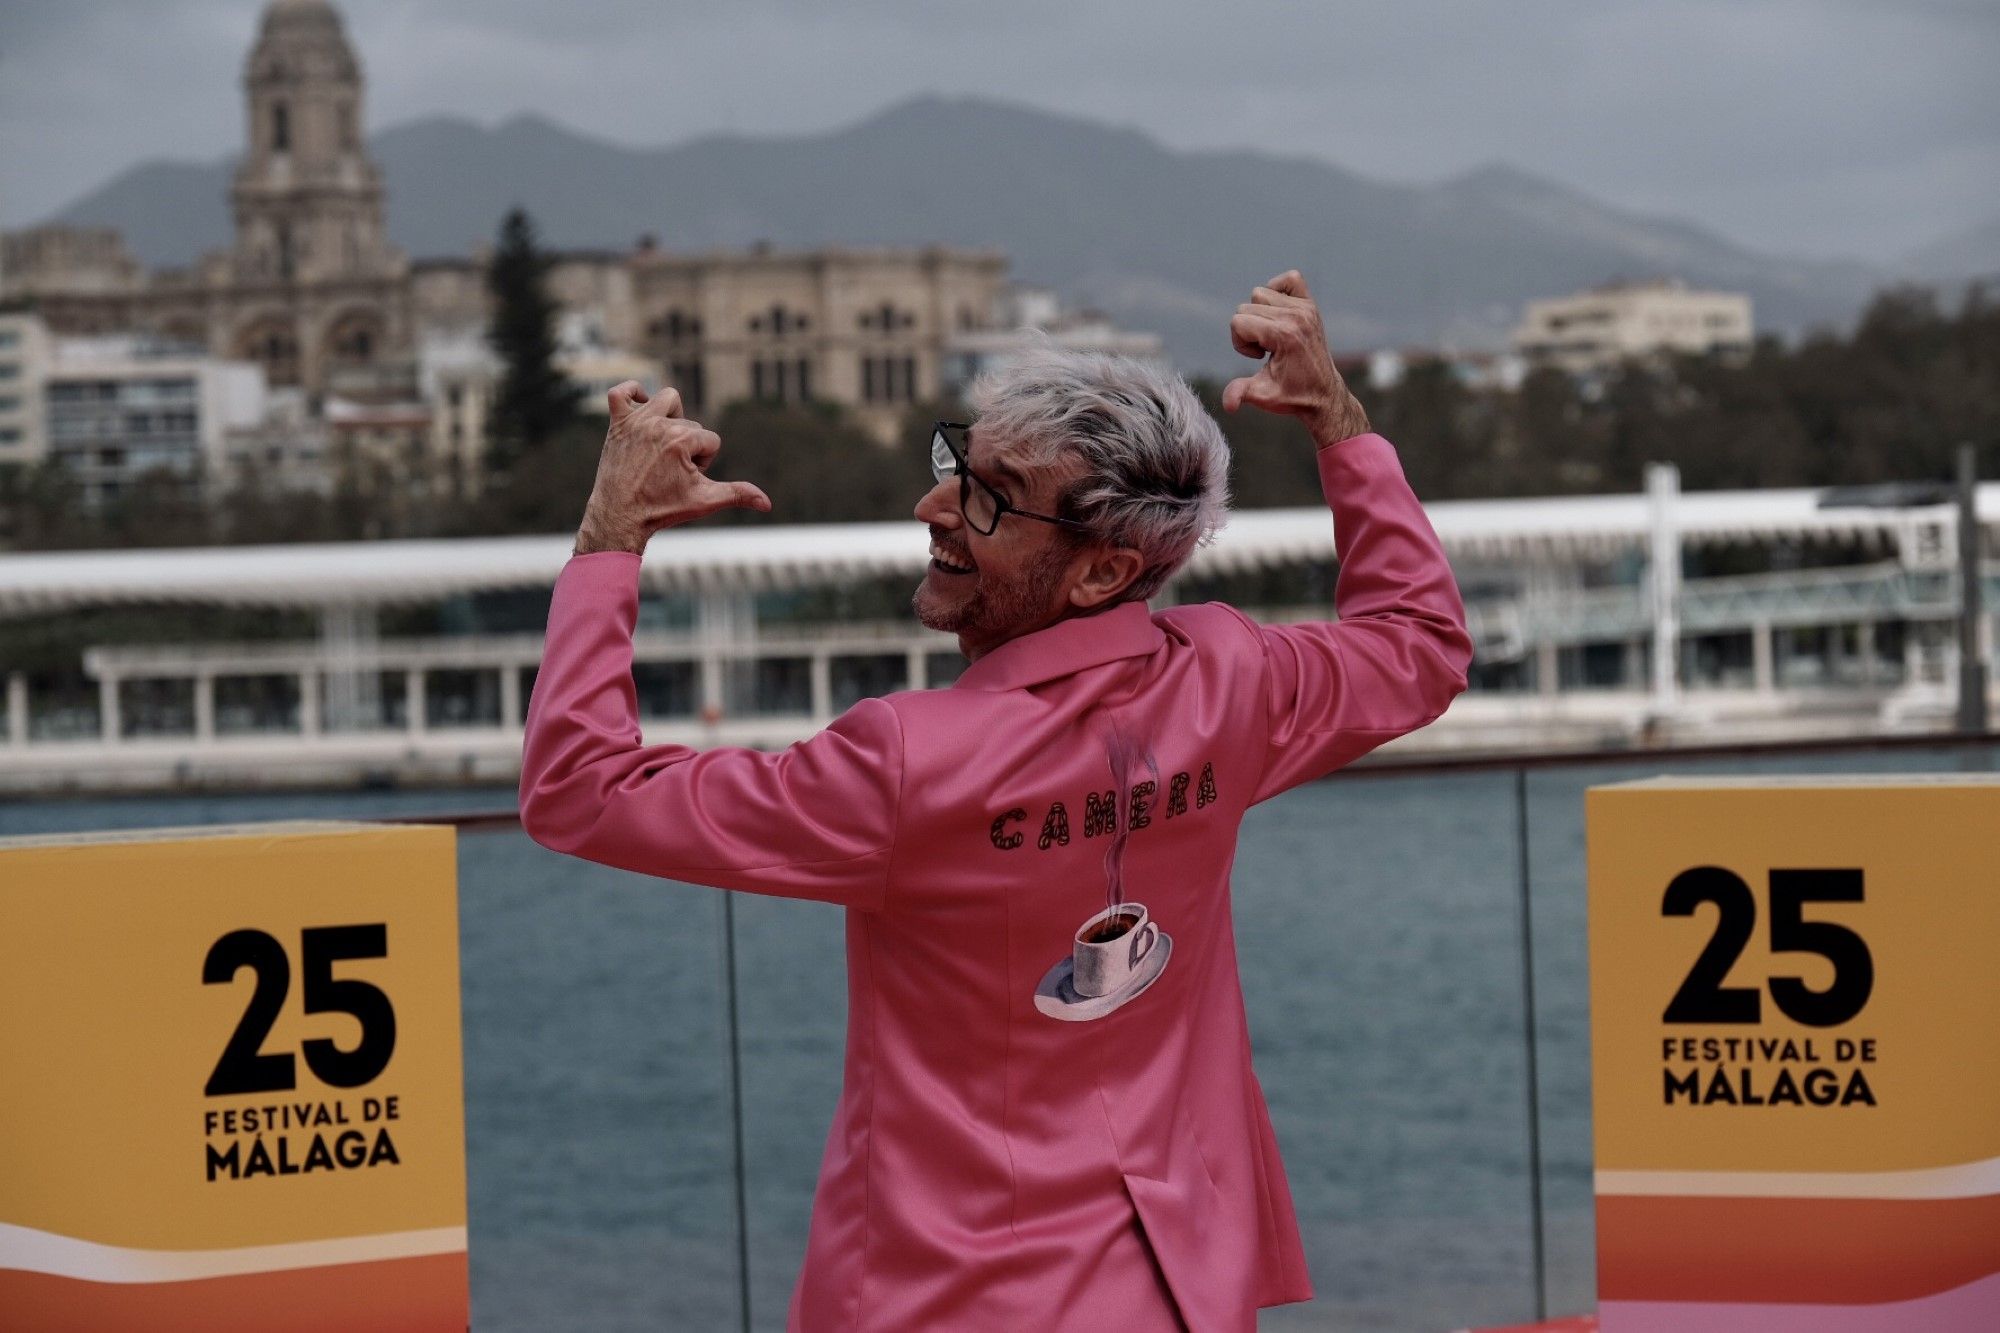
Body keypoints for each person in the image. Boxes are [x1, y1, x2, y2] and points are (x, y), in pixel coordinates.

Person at [518, 270, 1472, 1331]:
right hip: (1175, 1285)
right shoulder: (1228, 680)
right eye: (951, 466)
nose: (933, 509)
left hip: (949, 1300)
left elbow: (577, 789)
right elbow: (1419, 645)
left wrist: (611, 540)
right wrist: (1337, 424)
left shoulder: (905, 763)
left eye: (986, 497)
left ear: (1102, 572)